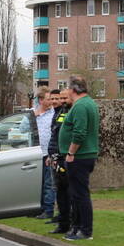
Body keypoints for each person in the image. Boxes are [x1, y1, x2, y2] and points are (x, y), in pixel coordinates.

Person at [58, 77, 100, 240]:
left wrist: (70, 153)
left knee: (80, 194)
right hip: (82, 156)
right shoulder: (86, 103)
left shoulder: (81, 106)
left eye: (67, 88)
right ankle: (76, 227)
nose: (66, 91)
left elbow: (79, 132)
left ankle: (85, 230)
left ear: (73, 89)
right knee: (75, 194)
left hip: (79, 157)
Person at [47, 89, 71, 234]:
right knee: (60, 191)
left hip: (63, 156)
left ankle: (67, 222)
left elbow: (62, 135)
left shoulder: (67, 112)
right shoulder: (60, 112)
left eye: (63, 98)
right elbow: (55, 135)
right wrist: (52, 155)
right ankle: (63, 222)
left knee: (65, 191)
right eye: (57, 98)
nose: (60, 101)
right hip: (57, 156)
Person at [32, 87, 57, 219]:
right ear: (41, 100)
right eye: (49, 99)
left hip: (48, 153)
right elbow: (22, 129)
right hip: (35, 154)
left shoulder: (54, 114)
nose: (51, 101)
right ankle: (38, 208)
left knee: (49, 183)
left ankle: (48, 210)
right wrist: (34, 116)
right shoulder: (33, 114)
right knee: (38, 183)